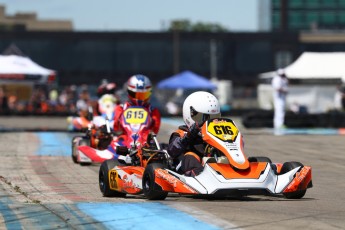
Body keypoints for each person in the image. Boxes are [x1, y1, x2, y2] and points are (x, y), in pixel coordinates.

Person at [107, 74, 161, 162]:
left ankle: (142, 157)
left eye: (143, 95)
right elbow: (116, 128)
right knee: (114, 143)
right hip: (125, 140)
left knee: (156, 147)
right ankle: (121, 155)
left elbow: (155, 131)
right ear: (129, 92)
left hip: (144, 142)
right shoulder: (121, 108)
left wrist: (150, 123)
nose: (140, 99)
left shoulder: (153, 111)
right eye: (136, 95)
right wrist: (120, 120)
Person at [167, 91, 221, 176]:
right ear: (190, 115)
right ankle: (199, 175)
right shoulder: (181, 133)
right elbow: (172, 151)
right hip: (185, 167)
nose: (209, 121)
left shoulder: (217, 133)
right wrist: (190, 134)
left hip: (212, 164)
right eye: (204, 118)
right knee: (190, 156)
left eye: (213, 117)